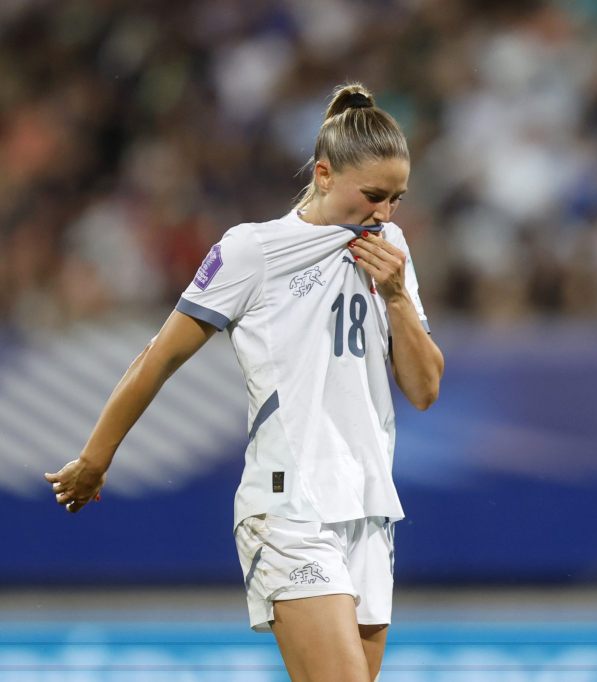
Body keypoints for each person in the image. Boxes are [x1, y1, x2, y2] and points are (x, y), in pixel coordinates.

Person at [44, 83, 444, 682]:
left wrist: (396, 298)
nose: (384, 214)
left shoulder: (391, 252)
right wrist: (96, 459)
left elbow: (424, 390)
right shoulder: (253, 251)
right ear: (324, 174)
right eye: (372, 196)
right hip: (290, 506)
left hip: (368, 507)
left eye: (396, 199)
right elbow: (159, 356)